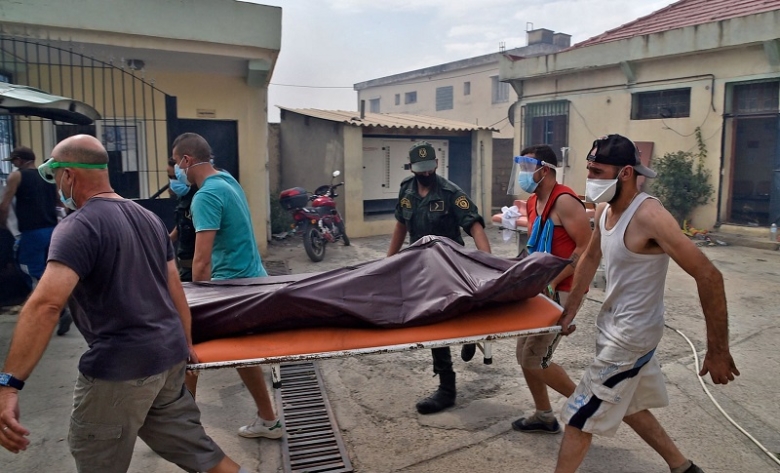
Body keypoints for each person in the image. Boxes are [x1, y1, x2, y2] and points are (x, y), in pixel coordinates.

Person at [0, 135, 249, 473]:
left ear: (68, 175)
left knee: (98, 461)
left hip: (120, 370)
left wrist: (9, 385)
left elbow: (45, 306)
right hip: (168, 358)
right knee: (202, 455)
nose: (57, 187)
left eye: (56, 177)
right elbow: (175, 290)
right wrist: (185, 342)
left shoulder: (77, 227)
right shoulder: (148, 219)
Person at [554, 134, 740, 473]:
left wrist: (718, 350)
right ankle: (682, 467)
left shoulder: (651, 216)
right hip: (611, 326)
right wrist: (571, 309)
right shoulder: (605, 208)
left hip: (631, 336)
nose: (590, 178)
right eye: (589, 169)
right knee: (628, 403)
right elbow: (592, 256)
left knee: (580, 416)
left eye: (597, 171)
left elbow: (709, 276)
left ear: (625, 173)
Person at [171, 132, 283, 440]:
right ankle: (268, 419)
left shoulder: (206, 195)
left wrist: (197, 304)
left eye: (176, 162)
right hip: (251, 280)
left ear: (186, 160)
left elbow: (201, 261)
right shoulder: (226, 180)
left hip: (231, 288)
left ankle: (183, 432)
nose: (175, 171)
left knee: (188, 352)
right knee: (240, 355)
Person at [387, 141, 491, 415]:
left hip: (450, 265)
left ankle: (470, 334)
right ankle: (447, 388)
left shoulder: (450, 193)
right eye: (420, 169)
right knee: (434, 320)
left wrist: (487, 263)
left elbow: (475, 226)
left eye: (429, 168)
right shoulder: (406, 190)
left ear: (436, 164)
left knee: (460, 310)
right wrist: (388, 262)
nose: (425, 173)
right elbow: (401, 225)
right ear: (412, 168)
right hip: (421, 267)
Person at [510, 145, 591, 434]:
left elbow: (587, 248)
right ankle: (544, 415)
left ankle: (589, 405)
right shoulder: (534, 201)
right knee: (523, 355)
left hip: (564, 289)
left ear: (544, 170)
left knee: (536, 359)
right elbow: (536, 247)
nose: (523, 173)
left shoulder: (565, 201)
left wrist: (555, 280)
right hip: (540, 288)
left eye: (527, 167)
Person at [0, 146, 72, 335]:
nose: (14, 164)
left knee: (29, 270)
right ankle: (61, 305)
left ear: (19, 160)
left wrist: (4, 226)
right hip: (52, 231)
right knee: (48, 270)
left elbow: (4, 205)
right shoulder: (47, 176)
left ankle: (52, 311)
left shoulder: (16, 176)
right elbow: (61, 203)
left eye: (14, 161)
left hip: (32, 232)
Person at [167, 157, 198, 282]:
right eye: (170, 177)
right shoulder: (184, 197)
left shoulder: (199, 198)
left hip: (196, 270)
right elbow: (182, 224)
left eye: (175, 177)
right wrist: (167, 240)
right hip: (185, 269)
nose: (172, 181)